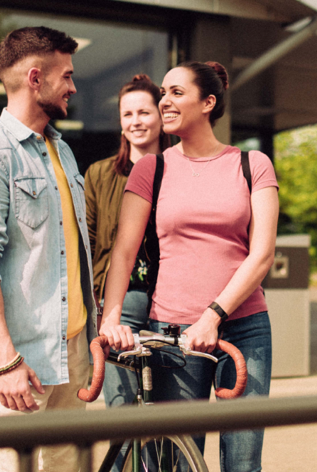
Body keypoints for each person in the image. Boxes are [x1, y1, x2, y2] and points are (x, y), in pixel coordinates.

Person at [100, 61, 279, 472]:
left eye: (176, 93)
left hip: (245, 328)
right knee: (179, 463)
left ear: (208, 102)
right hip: (174, 332)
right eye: (163, 92)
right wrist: (110, 318)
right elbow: (123, 253)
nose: (164, 101)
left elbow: (262, 254)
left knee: (244, 461)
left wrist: (214, 316)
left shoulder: (253, 164)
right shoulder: (152, 168)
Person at [0, 26, 97, 472]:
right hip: (23, 356)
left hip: (71, 349)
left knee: (65, 466)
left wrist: (90, 339)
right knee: (14, 465)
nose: (73, 87)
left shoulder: (63, 151)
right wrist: (4, 359)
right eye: (67, 76)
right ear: (36, 78)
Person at [83, 74, 169, 471]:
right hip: (119, 301)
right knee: (124, 412)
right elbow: (88, 243)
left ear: (160, 116)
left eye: (144, 112)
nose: (136, 121)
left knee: (167, 414)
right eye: (127, 113)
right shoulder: (100, 174)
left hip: (171, 301)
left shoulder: (178, 169)